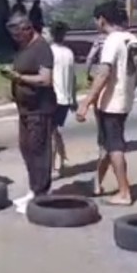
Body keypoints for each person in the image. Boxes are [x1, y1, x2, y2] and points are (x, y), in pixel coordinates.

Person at [76, 1, 137, 206]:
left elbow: (103, 73)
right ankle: (97, 183)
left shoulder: (111, 41)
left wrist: (87, 101)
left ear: (102, 19)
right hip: (125, 99)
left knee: (114, 146)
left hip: (111, 102)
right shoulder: (132, 39)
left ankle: (124, 192)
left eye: (96, 20)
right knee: (106, 144)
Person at [2, 14, 57, 213]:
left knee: (38, 150)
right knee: (26, 148)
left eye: (17, 34)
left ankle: (41, 194)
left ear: (27, 29)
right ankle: (34, 190)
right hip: (25, 109)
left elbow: (45, 79)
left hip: (39, 108)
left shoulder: (41, 48)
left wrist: (18, 77)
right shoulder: (24, 47)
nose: (15, 38)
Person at [49, 22, 78, 175]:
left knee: (50, 134)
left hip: (52, 97)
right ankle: (61, 159)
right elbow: (73, 78)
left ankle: (52, 167)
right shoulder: (69, 53)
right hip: (65, 99)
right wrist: (73, 98)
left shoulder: (48, 52)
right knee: (54, 131)